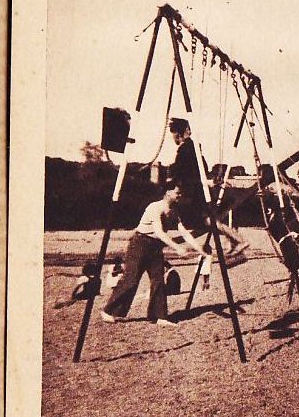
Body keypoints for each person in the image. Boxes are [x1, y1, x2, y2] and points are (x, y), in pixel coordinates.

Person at [101, 184, 209, 326]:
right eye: (178, 193)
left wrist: (200, 251)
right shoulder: (155, 207)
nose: (180, 196)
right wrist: (176, 247)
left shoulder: (174, 211)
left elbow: (184, 232)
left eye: (181, 193)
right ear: (168, 192)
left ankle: (159, 316)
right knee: (131, 279)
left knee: (158, 280)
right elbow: (159, 232)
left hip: (155, 247)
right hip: (139, 244)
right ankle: (109, 311)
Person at [167, 118, 249, 254]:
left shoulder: (184, 150)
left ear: (177, 133)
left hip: (194, 192)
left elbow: (181, 172)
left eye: (173, 133)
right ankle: (235, 240)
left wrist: (172, 179)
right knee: (208, 221)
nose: (173, 138)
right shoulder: (193, 148)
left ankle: (239, 240)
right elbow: (200, 169)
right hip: (198, 188)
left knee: (208, 220)